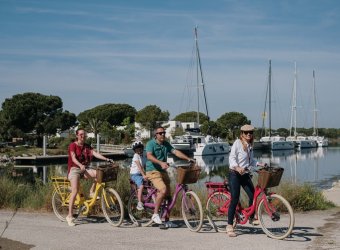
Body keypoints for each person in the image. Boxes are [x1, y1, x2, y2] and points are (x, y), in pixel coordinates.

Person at [145, 126, 194, 228]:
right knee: (163, 190)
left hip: (163, 171)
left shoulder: (166, 144)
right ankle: (155, 214)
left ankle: (167, 220)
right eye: (160, 133)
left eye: (164, 132)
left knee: (169, 197)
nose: (163, 134)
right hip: (153, 171)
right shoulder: (150, 144)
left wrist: (188, 159)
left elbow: (175, 152)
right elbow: (149, 156)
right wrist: (160, 163)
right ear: (156, 135)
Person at [66, 128, 113, 226]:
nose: (83, 136)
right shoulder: (73, 145)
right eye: (81, 134)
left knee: (98, 174)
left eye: (84, 135)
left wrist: (107, 159)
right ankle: (69, 216)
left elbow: (95, 153)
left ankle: (92, 191)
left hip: (84, 169)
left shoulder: (87, 146)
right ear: (77, 135)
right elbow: (73, 158)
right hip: (75, 169)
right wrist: (80, 165)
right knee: (75, 190)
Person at [227, 124, 266, 237]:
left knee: (252, 194)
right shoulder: (237, 143)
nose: (249, 134)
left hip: (245, 174)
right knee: (235, 198)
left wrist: (259, 163)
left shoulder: (250, 145)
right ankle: (229, 225)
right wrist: (237, 167)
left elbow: (251, 161)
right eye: (246, 132)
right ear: (242, 134)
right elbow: (232, 158)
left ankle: (251, 217)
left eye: (251, 132)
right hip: (235, 173)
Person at [130, 141, 147, 211]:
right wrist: (144, 175)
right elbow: (139, 167)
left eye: (140, 148)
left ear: (142, 148)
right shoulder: (136, 156)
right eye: (137, 149)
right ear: (135, 150)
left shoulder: (143, 156)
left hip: (140, 174)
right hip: (135, 175)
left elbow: (145, 166)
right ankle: (139, 203)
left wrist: (147, 173)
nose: (139, 150)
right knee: (141, 186)